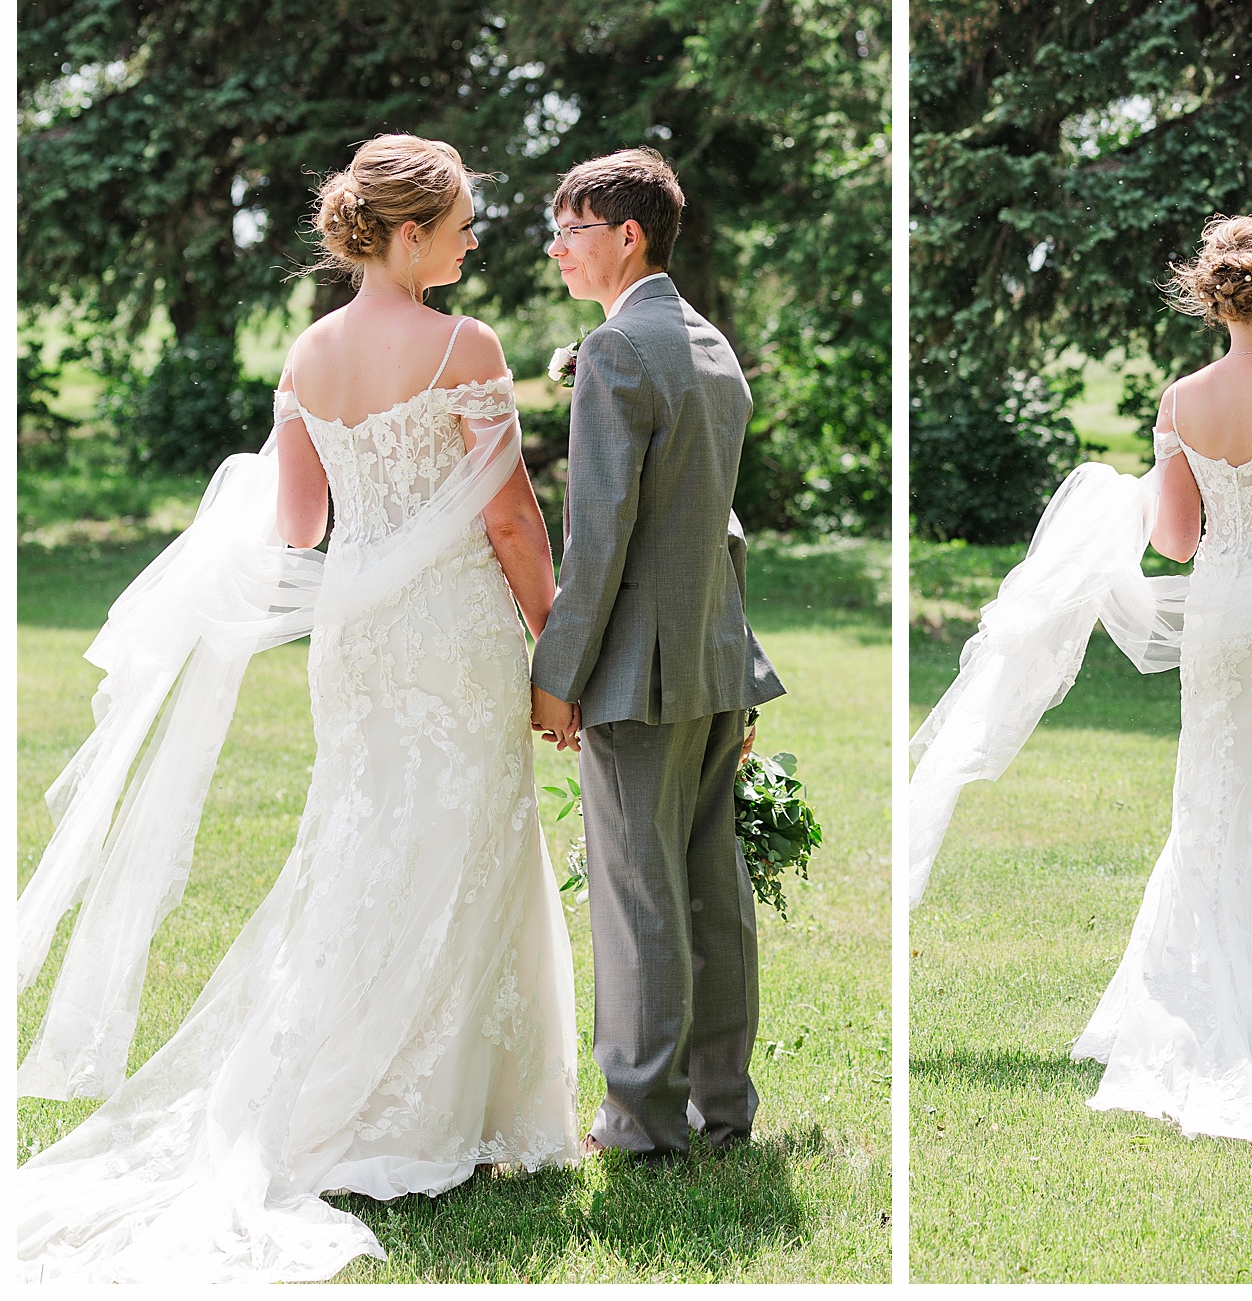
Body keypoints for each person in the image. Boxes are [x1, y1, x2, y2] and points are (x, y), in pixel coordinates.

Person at [16, 134, 580, 1282]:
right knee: (462, 845)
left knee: (360, 843)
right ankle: (432, 1119)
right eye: (464, 219)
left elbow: (300, 524)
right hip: (459, 633)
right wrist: (559, 641)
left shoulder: (309, 353)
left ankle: (349, 1092)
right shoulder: (464, 344)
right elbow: (514, 521)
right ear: (409, 231)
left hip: (358, 641)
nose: (478, 235)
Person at [910, 215, 1252, 1145]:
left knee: (1211, 806)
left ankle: (1225, 994)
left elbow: (1174, 540)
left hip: (1217, 627)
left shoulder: (1180, 401)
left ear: (1219, 302)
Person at [529, 149, 785, 1161]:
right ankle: (722, 1110)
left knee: (640, 900)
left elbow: (597, 541)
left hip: (640, 671)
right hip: (713, 661)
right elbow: (722, 526)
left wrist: (557, 676)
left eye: (572, 231)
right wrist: (737, 656)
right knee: (710, 891)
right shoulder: (709, 343)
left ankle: (639, 1123)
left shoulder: (618, 351)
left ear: (627, 235)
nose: (559, 251)